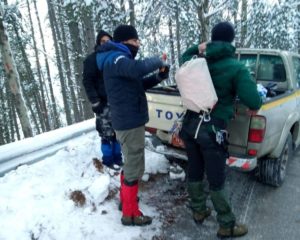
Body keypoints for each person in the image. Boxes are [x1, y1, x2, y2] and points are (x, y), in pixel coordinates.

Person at [179, 22, 262, 238]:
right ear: (231, 41)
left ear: (213, 40)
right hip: (211, 131)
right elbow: (253, 100)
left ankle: (199, 211)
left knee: (195, 171)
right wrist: (254, 101)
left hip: (189, 128)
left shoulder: (199, 62)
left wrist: (198, 47)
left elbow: (182, 59)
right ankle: (226, 224)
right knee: (216, 179)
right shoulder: (236, 68)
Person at [96, 25, 169, 226]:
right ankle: (130, 214)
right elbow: (138, 69)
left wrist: (159, 77)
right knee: (134, 168)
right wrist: (158, 60)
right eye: (135, 41)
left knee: (130, 164)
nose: (138, 45)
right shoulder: (116, 58)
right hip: (129, 123)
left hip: (129, 120)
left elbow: (139, 83)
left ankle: (126, 202)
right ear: (125, 41)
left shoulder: (119, 60)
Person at [82, 30, 123, 170]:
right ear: (98, 43)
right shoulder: (92, 59)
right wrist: (95, 100)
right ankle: (108, 160)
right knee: (106, 133)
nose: (106, 43)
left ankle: (118, 158)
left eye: (108, 41)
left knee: (118, 131)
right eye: (103, 41)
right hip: (102, 102)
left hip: (116, 101)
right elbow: (87, 82)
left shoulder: (115, 57)